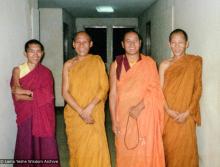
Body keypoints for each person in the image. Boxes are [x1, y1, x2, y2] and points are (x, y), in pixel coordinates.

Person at [109, 30, 165, 167]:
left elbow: (155, 89)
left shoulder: (149, 63)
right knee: (125, 149)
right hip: (123, 115)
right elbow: (113, 93)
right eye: (128, 41)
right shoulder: (116, 64)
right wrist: (113, 120)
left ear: (140, 43)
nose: (132, 44)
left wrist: (139, 107)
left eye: (135, 41)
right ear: (122, 44)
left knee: (144, 149)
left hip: (145, 113)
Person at [62, 31, 111, 167]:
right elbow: (65, 92)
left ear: (91, 44)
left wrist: (88, 108)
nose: (81, 45)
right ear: (73, 44)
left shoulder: (97, 60)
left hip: (93, 111)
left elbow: (104, 87)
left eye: (85, 42)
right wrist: (81, 111)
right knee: (78, 149)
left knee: (95, 147)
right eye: (78, 41)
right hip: (75, 113)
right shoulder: (68, 65)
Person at [11, 39, 60, 166]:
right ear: (25, 53)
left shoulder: (46, 73)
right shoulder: (18, 70)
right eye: (31, 51)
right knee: (26, 145)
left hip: (44, 116)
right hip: (26, 116)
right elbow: (16, 94)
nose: (35, 54)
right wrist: (38, 95)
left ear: (42, 53)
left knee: (45, 145)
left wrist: (27, 92)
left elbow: (49, 96)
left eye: (38, 51)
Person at [159, 29, 202, 167]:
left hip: (187, 116)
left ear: (187, 44)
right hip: (168, 115)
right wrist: (168, 110)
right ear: (169, 44)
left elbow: (197, 89)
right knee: (170, 151)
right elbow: (159, 91)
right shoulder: (164, 65)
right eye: (173, 43)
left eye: (181, 43)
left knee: (187, 152)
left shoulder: (194, 62)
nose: (177, 46)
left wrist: (188, 112)